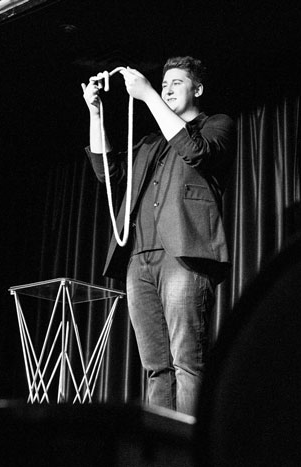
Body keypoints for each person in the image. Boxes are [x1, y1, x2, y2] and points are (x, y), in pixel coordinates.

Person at [81, 56, 235, 415]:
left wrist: (148, 95)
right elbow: (108, 174)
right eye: (163, 85)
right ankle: (162, 443)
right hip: (139, 261)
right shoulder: (150, 143)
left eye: (176, 83)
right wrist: (95, 113)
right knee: (156, 368)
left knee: (187, 363)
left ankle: (188, 442)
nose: (167, 90)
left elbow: (196, 152)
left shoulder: (217, 125)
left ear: (197, 89)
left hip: (183, 255)